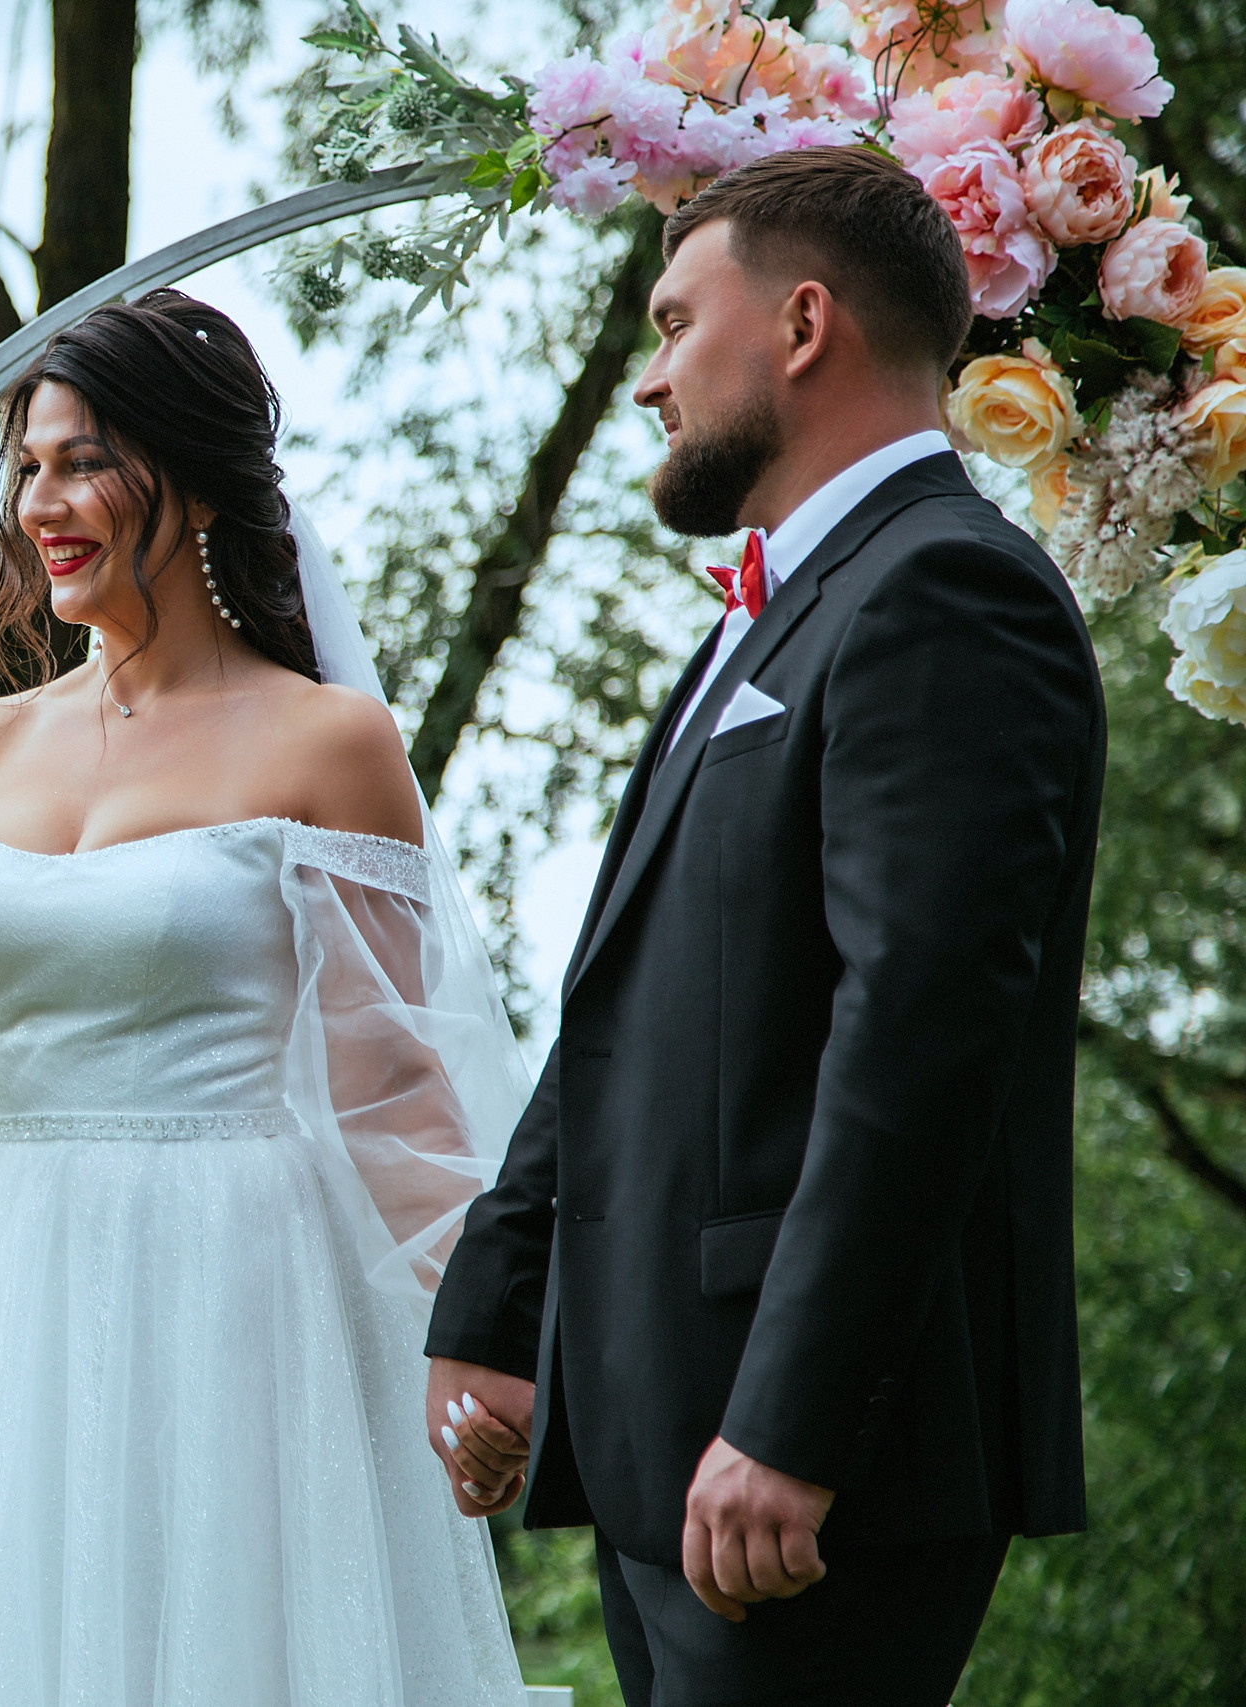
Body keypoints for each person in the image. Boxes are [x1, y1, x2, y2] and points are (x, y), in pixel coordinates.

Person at [0, 288, 533, 1706]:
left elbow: (394, 1090)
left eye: (85, 462)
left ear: (197, 477)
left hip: (240, 1282)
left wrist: (497, 1335)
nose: (42, 503)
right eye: (29, 467)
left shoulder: (328, 742)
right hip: (5, 1282)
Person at [423, 146, 1102, 1705]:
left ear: (802, 326)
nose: (652, 382)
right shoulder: (775, 612)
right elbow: (627, 1001)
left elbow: (919, 1037)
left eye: (674, 324)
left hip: (806, 1470)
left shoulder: (946, 591)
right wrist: (503, 1296)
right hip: (669, 1429)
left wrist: (791, 1422)